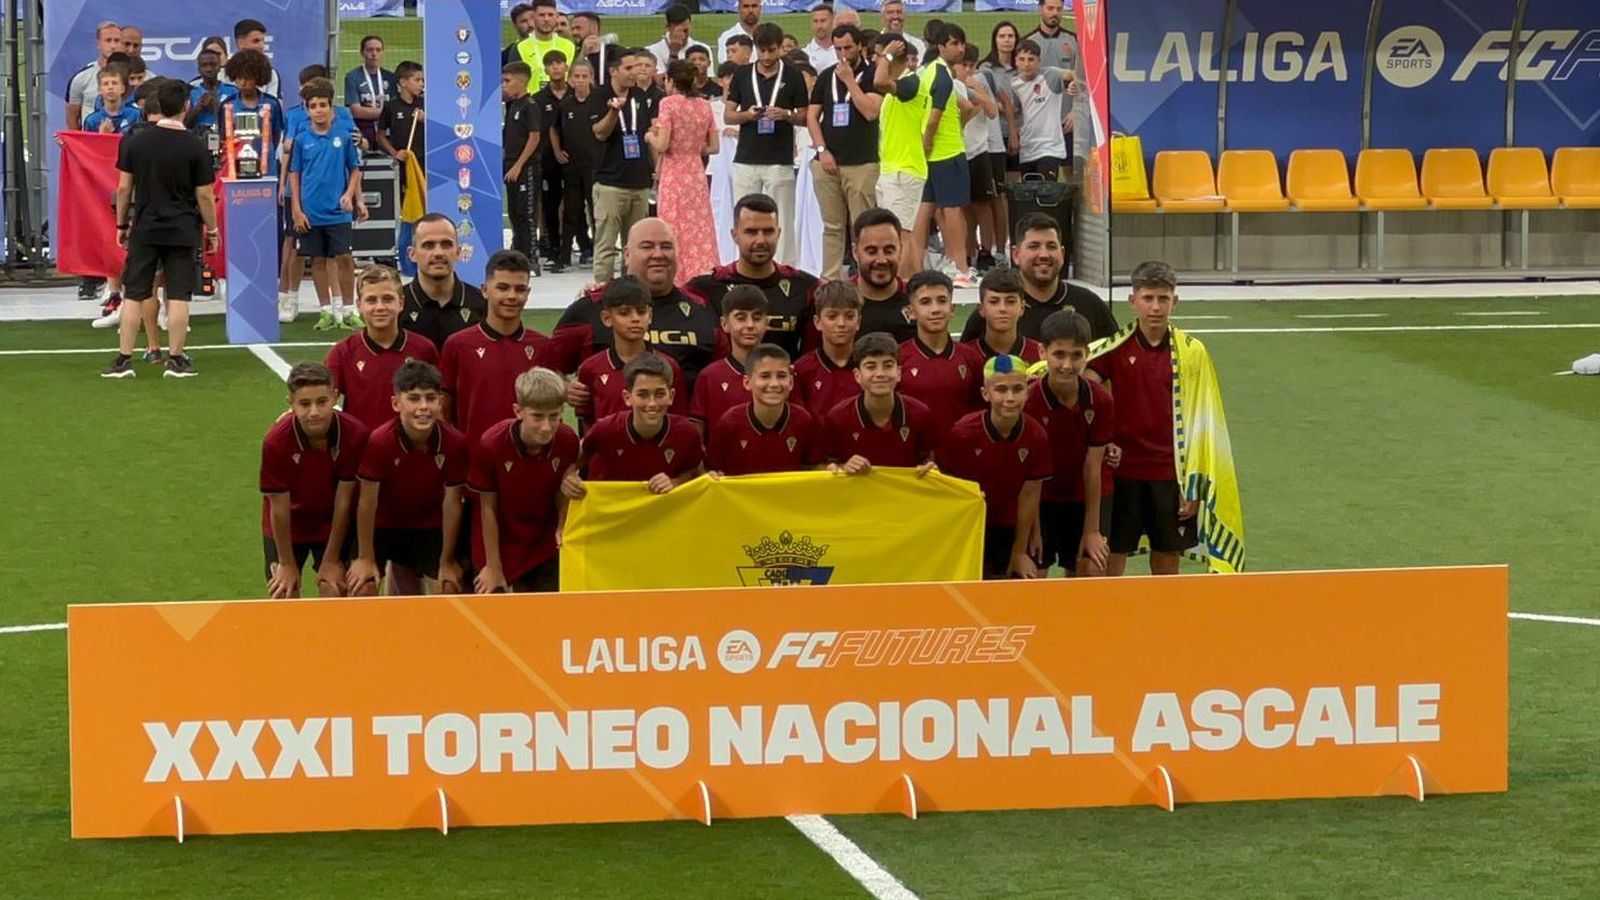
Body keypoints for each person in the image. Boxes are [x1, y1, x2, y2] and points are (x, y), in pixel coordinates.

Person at [1086, 262, 1201, 577]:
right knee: (1112, 558)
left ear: (1174, 302)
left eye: (1163, 299)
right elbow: (1083, 385)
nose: (1155, 306)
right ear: (1133, 301)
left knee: (1167, 558)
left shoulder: (1191, 353)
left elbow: (1201, 418)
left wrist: (1192, 483)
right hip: (1122, 473)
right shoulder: (1114, 349)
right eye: (1148, 298)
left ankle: (1164, 622)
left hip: (1169, 474)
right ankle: (1111, 621)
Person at [100, 79, 218, 380]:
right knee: (179, 294)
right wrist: (213, 230)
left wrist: (121, 223)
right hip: (182, 228)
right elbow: (204, 195)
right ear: (186, 107)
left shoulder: (134, 141)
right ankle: (176, 359)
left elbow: (124, 188)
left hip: (146, 226)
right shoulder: (195, 145)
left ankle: (124, 359)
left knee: (134, 293)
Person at [349, 360, 469, 597]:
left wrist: (446, 561)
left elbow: (453, 503)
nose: (423, 407)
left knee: (450, 588)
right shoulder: (380, 441)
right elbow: (367, 503)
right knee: (362, 586)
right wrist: (365, 557)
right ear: (396, 403)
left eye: (430, 398)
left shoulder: (455, 443)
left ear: (440, 402)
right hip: (384, 528)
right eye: (414, 398)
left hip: (429, 528)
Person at [554, 218, 719, 390]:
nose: (658, 254)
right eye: (647, 247)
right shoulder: (591, 307)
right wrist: (566, 389)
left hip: (681, 415)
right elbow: (546, 366)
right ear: (626, 254)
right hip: (609, 416)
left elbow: (727, 372)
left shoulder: (701, 307)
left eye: (666, 246)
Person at [260, 362, 370, 599]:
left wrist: (330, 560)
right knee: (283, 592)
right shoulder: (275, 442)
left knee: (336, 586)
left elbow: (344, 501)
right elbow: (278, 508)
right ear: (290, 403)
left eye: (322, 402)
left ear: (335, 397)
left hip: (332, 522)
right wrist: (286, 564)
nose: (314, 412)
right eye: (304, 404)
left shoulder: (355, 434)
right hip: (289, 525)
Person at [936, 354, 1051, 580]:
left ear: (1027, 392)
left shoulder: (1037, 436)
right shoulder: (962, 434)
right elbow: (946, 487)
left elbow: (1029, 497)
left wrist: (1018, 552)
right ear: (985, 394)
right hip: (970, 529)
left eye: (1017, 389)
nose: (1010, 398)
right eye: (1001, 390)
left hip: (1010, 529)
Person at [469, 367, 578, 594]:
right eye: (537, 417)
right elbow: (487, 507)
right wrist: (493, 566)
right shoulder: (492, 443)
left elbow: (561, 492)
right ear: (518, 411)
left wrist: (561, 525)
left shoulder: (567, 441)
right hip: (500, 539)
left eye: (554, 416)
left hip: (542, 542)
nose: (546, 426)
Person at [1026, 310, 1114, 578]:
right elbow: (1028, 474)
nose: (1067, 364)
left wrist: (1091, 531)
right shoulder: (1028, 400)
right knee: (1032, 575)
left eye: (1076, 355)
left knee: (1089, 574)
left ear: (1086, 354)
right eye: (1059, 354)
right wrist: (1031, 528)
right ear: (1042, 352)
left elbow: (1093, 467)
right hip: (1041, 499)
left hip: (1086, 497)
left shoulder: (1100, 400)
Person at [440, 250, 557, 443]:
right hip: (473, 463)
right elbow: (444, 411)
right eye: (502, 288)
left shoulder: (543, 346)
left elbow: (551, 409)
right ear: (485, 290)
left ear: (528, 293)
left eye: (519, 289)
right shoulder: (457, 345)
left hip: (528, 463)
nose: (511, 296)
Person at [685, 193, 819, 358]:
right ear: (734, 235)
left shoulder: (806, 288)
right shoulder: (705, 289)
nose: (761, 240)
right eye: (751, 232)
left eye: (768, 231)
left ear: (779, 233)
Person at [280, 66, 362, 326]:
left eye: (323, 105)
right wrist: (297, 209)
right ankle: (326, 310)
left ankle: (349, 309)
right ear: (306, 109)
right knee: (315, 259)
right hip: (310, 211)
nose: (318, 110)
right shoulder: (302, 139)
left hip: (337, 211)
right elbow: (295, 172)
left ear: (331, 107)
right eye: (313, 106)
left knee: (344, 258)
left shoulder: (343, 136)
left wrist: (351, 195)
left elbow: (355, 168)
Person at [960, 213, 1118, 343]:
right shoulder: (991, 312)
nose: (1043, 254)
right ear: (1016, 255)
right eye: (1034, 246)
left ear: (1062, 254)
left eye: (1051, 246)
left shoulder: (1089, 304)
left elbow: (1115, 359)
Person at [726, 24, 809, 268]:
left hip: (779, 160)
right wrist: (747, 116)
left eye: (771, 51)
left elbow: (804, 116)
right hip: (746, 159)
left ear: (781, 47)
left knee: (782, 218)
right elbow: (728, 115)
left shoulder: (793, 75)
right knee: (744, 218)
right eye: (761, 51)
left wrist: (786, 114)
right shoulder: (742, 74)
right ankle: (743, 267)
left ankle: (785, 270)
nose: (766, 57)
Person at [563, 353, 704, 495]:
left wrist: (674, 483)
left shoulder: (686, 433)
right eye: (642, 395)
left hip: (663, 512)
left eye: (660, 394)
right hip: (614, 510)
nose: (652, 403)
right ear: (627, 397)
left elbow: (695, 473)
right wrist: (569, 478)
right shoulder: (606, 429)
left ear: (671, 396)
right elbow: (575, 458)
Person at [807, 24, 882, 282]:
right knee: (832, 226)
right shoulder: (826, 75)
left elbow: (871, 112)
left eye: (848, 47)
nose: (842, 53)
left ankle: (865, 278)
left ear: (860, 46)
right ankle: (829, 279)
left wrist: (850, 80)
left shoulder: (873, 74)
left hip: (862, 163)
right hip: (828, 162)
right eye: (838, 48)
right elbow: (812, 117)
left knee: (862, 227)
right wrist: (821, 150)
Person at [325, 265, 441, 430]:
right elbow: (323, 400)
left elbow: (437, 400)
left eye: (387, 299)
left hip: (412, 448)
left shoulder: (424, 349)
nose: (380, 307)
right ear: (359, 305)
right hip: (362, 449)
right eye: (371, 300)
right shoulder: (342, 352)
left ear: (401, 303)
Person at [574, 277, 690, 430]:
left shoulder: (669, 366)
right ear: (607, 318)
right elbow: (588, 424)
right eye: (624, 313)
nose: (635, 319)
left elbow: (678, 422)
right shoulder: (591, 369)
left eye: (641, 312)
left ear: (650, 316)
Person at [911, 25, 976, 289]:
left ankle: (915, 267)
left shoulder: (929, 72)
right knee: (953, 211)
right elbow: (935, 118)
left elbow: (964, 107)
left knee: (925, 209)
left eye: (961, 44)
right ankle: (959, 267)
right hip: (946, 153)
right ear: (940, 47)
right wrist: (927, 144)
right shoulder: (943, 77)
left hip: (934, 153)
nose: (959, 49)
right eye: (954, 44)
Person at [647, 61, 720, 285]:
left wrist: (649, 136)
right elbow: (713, 146)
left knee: (673, 227)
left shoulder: (668, 104)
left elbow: (662, 144)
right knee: (698, 229)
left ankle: (676, 277)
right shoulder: (703, 105)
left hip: (674, 174)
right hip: (696, 173)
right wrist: (691, 146)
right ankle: (701, 273)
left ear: (671, 81)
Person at [822, 331, 937, 472]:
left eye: (888, 366)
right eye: (871, 366)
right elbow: (826, 467)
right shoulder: (837, 417)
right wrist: (843, 467)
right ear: (857, 375)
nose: (880, 374)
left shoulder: (920, 414)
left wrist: (929, 468)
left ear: (899, 373)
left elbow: (929, 460)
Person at [590, 51, 657, 282]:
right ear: (613, 71)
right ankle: (601, 293)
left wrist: (656, 168)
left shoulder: (639, 95)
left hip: (639, 182)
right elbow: (599, 132)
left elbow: (645, 132)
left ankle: (632, 291)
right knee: (606, 245)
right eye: (629, 69)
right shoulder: (599, 96)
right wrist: (614, 111)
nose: (635, 73)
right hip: (610, 183)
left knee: (637, 246)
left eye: (637, 67)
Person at [708, 343, 822, 476]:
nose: (774, 384)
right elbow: (710, 472)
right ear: (747, 383)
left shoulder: (803, 421)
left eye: (781, 376)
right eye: (765, 376)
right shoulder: (729, 423)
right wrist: (713, 475)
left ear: (791, 382)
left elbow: (815, 470)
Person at [898, 270, 983, 432]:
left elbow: (981, 411)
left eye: (942, 301)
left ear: (952, 309)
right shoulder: (898, 358)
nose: (935, 309)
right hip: (915, 454)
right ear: (911, 312)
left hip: (961, 452)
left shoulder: (971, 358)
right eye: (925, 302)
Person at [872, 36, 929, 278]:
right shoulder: (900, 86)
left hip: (903, 171)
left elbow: (879, 80)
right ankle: (916, 285)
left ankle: (902, 285)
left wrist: (886, 55)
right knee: (907, 233)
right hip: (893, 169)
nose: (875, 59)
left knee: (900, 234)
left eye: (878, 54)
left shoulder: (910, 83)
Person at [689, 285, 769, 435]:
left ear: (766, 323)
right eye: (741, 318)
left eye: (757, 318)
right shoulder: (709, 376)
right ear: (725, 324)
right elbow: (697, 429)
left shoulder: (780, 373)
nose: (750, 325)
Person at [401, 215, 488, 349]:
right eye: (428, 245)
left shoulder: (482, 304)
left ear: (458, 251)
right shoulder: (396, 306)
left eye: (446, 244)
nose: (438, 253)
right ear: (412, 254)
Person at [551, 60, 603, 268]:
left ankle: (600, 254)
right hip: (572, 166)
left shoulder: (599, 102)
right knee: (571, 210)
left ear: (591, 78)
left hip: (595, 167)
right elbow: (553, 129)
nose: (580, 81)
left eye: (584, 76)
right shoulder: (565, 104)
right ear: (571, 79)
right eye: (577, 77)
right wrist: (557, 150)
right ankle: (564, 256)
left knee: (597, 211)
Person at [376, 61, 426, 274]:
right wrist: (395, 153)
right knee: (408, 214)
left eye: (422, 80)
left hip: (424, 166)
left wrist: (427, 120)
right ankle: (406, 263)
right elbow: (380, 135)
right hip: (404, 168)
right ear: (403, 82)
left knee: (425, 214)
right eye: (417, 80)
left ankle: (423, 259)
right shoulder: (391, 107)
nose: (421, 84)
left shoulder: (424, 105)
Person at [955, 45, 1002, 274]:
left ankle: (986, 252)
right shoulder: (951, 85)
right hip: (957, 151)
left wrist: (979, 92)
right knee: (962, 207)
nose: (967, 70)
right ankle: (966, 252)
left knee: (983, 205)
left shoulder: (980, 84)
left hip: (979, 151)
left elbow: (993, 112)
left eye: (971, 66)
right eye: (963, 65)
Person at [1026, 0, 1081, 175]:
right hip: (1041, 124)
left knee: (1074, 175)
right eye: (1050, 8)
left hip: (1068, 121)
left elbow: (1084, 78)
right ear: (1040, 9)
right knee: (1046, 177)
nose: (1054, 13)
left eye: (1058, 9)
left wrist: (1075, 112)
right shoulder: (1028, 42)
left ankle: (1075, 204)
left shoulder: (1073, 40)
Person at [793, 281, 862, 418]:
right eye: (832, 316)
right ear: (817, 322)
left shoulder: (869, 366)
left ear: (858, 322)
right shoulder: (802, 370)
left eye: (849, 316)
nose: (841, 324)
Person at [531, 52, 571, 270]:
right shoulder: (537, 99)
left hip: (574, 158)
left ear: (566, 67)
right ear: (545, 69)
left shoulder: (577, 94)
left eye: (559, 63)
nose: (556, 68)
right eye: (551, 64)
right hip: (548, 160)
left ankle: (579, 245)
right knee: (549, 203)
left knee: (574, 204)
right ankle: (552, 245)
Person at [849, 209, 913, 342]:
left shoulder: (917, 299)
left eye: (889, 251)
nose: (881, 260)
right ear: (855, 252)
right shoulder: (837, 302)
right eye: (872, 252)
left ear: (900, 250)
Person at [1011, 39, 1071, 181]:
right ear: (1016, 61)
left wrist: (1074, 112)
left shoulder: (1051, 75)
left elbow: (1076, 76)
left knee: (1046, 196)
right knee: (1030, 197)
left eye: (1031, 59)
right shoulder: (1014, 84)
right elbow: (1016, 111)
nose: (1026, 64)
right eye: (1022, 59)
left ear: (1039, 60)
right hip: (1027, 149)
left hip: (1049, 149)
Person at [503, 61, 544, 265]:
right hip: (510, 166)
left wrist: (519, 164)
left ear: (521, 82)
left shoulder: (530, 106)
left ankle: (530, 255)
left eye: (507, 81)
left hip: (525, 168)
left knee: (526, 213)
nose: (504, 85)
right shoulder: (513, 106)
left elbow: (534, 136)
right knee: (514, 212)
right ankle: (518, 250)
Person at [969, 267, 1044, 362]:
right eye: (994, 302)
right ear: (981, 308)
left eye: (1010, 302)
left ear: (1022, 308)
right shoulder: (966, 356)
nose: (1002, 309)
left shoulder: (1039, 354)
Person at [66, 20, 123, 132]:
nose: (113, 46)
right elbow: (72, 119)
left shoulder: (131, 75)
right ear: (98, 44)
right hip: (90, 144)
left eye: (117, 41)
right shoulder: (81, 78)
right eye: (108, 40)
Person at [517, 0, 576, 94]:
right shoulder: (520, 47)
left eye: (550, 15)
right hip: (532, 105)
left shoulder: (569, 46)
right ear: (533, 17)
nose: (546, 19)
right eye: (541, 15)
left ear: (556, 16)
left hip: (562, 105)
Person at [345, 35, 395, 145]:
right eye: (370, 50)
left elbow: (396, 109)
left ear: (383, 53)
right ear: (362, 53)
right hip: (363, 135)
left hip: (388, 135)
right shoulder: (353, 76)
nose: (374, 54)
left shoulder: (391, 77)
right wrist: (387, 114)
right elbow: (356, 111)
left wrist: (370, 112)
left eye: (378, 50)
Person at [223, 19, 282, 99]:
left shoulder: (271, 74)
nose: (262, 46)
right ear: (241, 43)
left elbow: (272, 106)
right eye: (256, 41)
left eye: (263, 41)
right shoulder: (223, 74)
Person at [184, 49, 238, 138]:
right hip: (199, 140)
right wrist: (199, 107)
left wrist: (218, 106)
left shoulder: (232, 91)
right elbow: (185, 124)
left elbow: (238, 120)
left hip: (226, 139)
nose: (209, 69)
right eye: (204, 65)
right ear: (198, 69)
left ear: (219, 67)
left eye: (212, 64)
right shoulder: (192, 93)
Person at [647, 5, 710, 71]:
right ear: (668, 27)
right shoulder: (652, 51)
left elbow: (708, 78)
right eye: (677, 32)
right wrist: (674, 52)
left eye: (685, 30)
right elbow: (664, 80)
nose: (683, 35)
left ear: (690, 25)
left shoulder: (704, 49)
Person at [83, 66, 140, 134]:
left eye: (114, 83)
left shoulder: (136, 115)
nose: (110, 87)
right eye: (106, 84)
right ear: (99, 90)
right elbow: (87, 144)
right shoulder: (92, 121)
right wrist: (102, 136)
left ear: (123, 88)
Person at [717, 0, 763, 65]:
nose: (750, 11)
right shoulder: (726, 37)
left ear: (760, 8)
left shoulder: (769, 35)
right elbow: (727, 68)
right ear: (739, 8)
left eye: (754, 6)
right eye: (746, 6)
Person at [803, 4, 839, 72]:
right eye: (815, 21)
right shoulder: (805, 53)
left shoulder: (842, 51)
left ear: (833, 21)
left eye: (823, 21)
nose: (819, 26)